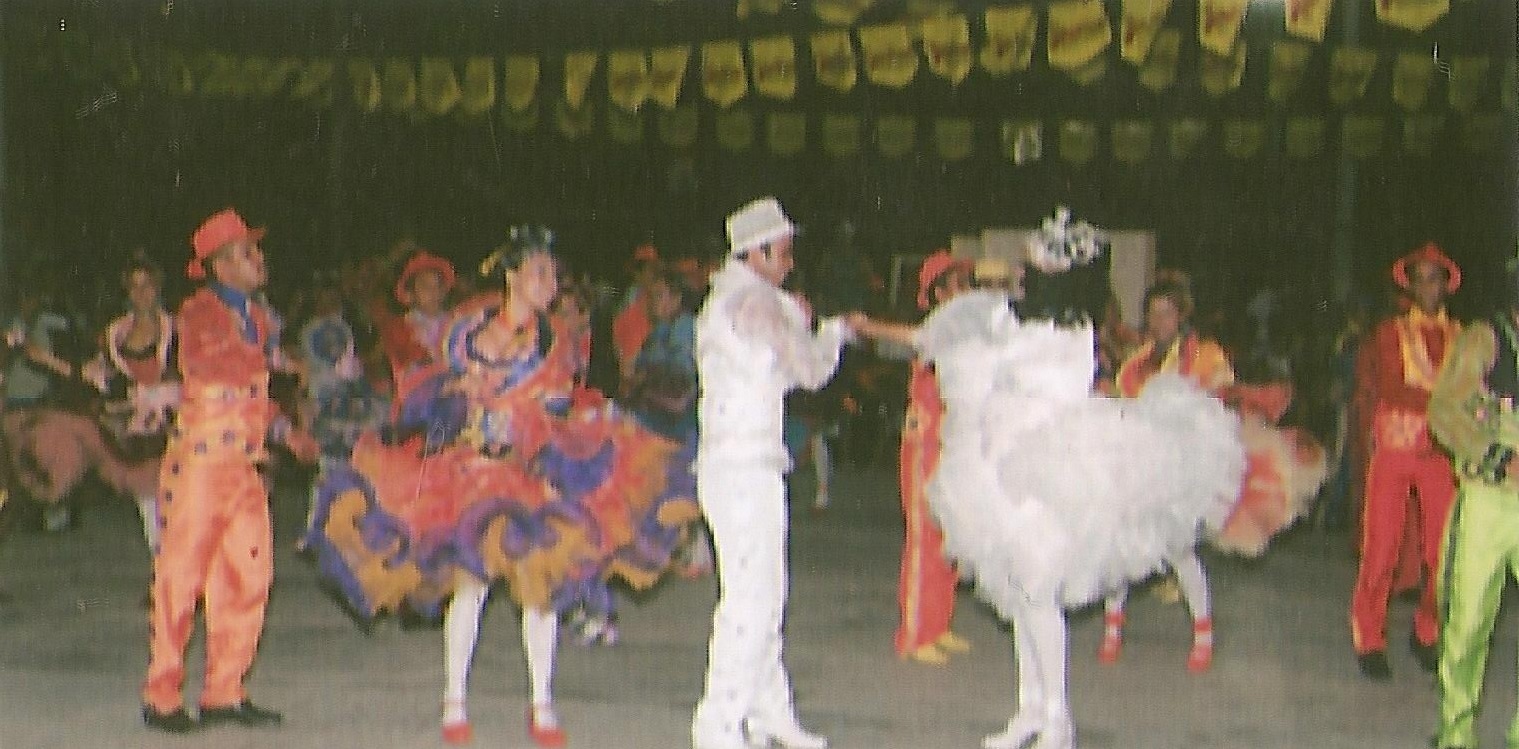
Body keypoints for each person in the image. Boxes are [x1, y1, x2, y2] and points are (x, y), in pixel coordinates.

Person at [851, 207, 1242, 749]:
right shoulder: (1020, 325)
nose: (1022, 276)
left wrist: (988, 354)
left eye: (1033, 269)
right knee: (1020, 596)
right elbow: (951, 339)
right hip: (1003, 473)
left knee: (1037, 592)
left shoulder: (1070, 337)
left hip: (1048, 477)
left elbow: (1021, 374)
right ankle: (1030, 709)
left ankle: (1057, 720)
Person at [303, 226, 697, 748]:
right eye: (539, 272)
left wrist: (542, 437)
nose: (550, 282)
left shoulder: (553, 341)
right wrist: (463, 400)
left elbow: (555, 411)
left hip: (525, 475)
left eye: (553, 273)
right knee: (470, 585)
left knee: (540, 584)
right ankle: (454, 701)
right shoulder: (469, 333)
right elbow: (437, 398)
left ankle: (542, 703)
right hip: (469, 478)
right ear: (512, 276)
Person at [141, 208, 317, 733]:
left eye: (256, 250)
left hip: (243, 466)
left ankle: (224, 690)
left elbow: (254, 395)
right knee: (180, 578)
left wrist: (285, 432)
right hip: (201, 464)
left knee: (248, 574)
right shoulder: (199, 312)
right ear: (219, 266)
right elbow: (216, 367)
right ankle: (161, 696)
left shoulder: (256, 318)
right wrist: (273, 363)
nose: (259, 259)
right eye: (246, 252)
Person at [690, 197, 853, 749]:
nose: (789, 263)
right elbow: (808, 370)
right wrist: (831, 332)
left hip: (743, 463)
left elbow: (778, 371)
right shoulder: (753, 302)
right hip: (742, 468)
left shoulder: (732, 299)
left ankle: (769, 711)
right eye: (782, 253)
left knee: (765, 593)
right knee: (750, 601)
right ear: (755, 254)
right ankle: (719, 724)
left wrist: (799, 320)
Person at [1101, 271, 1233, 674]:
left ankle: (1203, 634)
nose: (1159, 322)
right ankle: (1112, 629)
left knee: (1179, 551)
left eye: (1167, 313)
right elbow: (1123, 404)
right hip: (1137, 468)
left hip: (1177, 472)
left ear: (1182, 316)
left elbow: (1218, 399)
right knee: (1120, 547)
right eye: (1153, 314)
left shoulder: (1202, 355)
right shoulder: (1136, 362)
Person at [1350, 242, 1461, 680]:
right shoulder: (1390, 332)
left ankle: (1427, 631)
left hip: (1440, 456)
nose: (1427, 287)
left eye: (1435, 279)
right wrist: (1449, 404)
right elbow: (1393, 387)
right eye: (1420, 280)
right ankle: (1370, 637)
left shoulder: (1462, 337)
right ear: (1410, 287)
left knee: (1443, 552)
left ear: (1446, 286)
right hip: (1395, 451)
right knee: (1382, 549)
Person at [1428, 257, 1519, 749]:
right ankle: (1456, 734)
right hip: (1488, 501)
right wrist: (1498, 457)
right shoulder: (1485, 339)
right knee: (1467, 627)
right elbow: (1443, 410)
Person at [894, 249, 973, 666]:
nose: (965, 290)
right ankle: (914, 633)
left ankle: (939, 624)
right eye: (957, 283)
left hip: (949, 441)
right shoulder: (936, 330)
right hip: (925, 442)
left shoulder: (958, 330)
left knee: (947, 535)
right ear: (938, 292)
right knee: (924, 536)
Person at [94, 254, 179, 553]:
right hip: (136, 426)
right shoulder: (114, 333)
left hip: (174, 421)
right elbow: (106, 376)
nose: (141, 293)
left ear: (158, 288)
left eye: (147, 285)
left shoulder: (175, 328)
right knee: (146, 497)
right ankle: (160, 560)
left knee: (177, 494)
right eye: (134, 287)